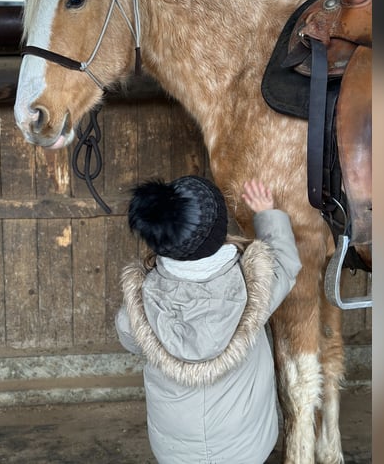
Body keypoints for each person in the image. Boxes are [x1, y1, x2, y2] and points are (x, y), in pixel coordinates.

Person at [115, 175, 302, 463]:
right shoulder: (255, 286)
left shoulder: (139, 307)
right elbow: (287, 262)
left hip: (174, 451)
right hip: (246, 448)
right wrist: (267, 213)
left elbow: (129, 336)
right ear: (220, 230)